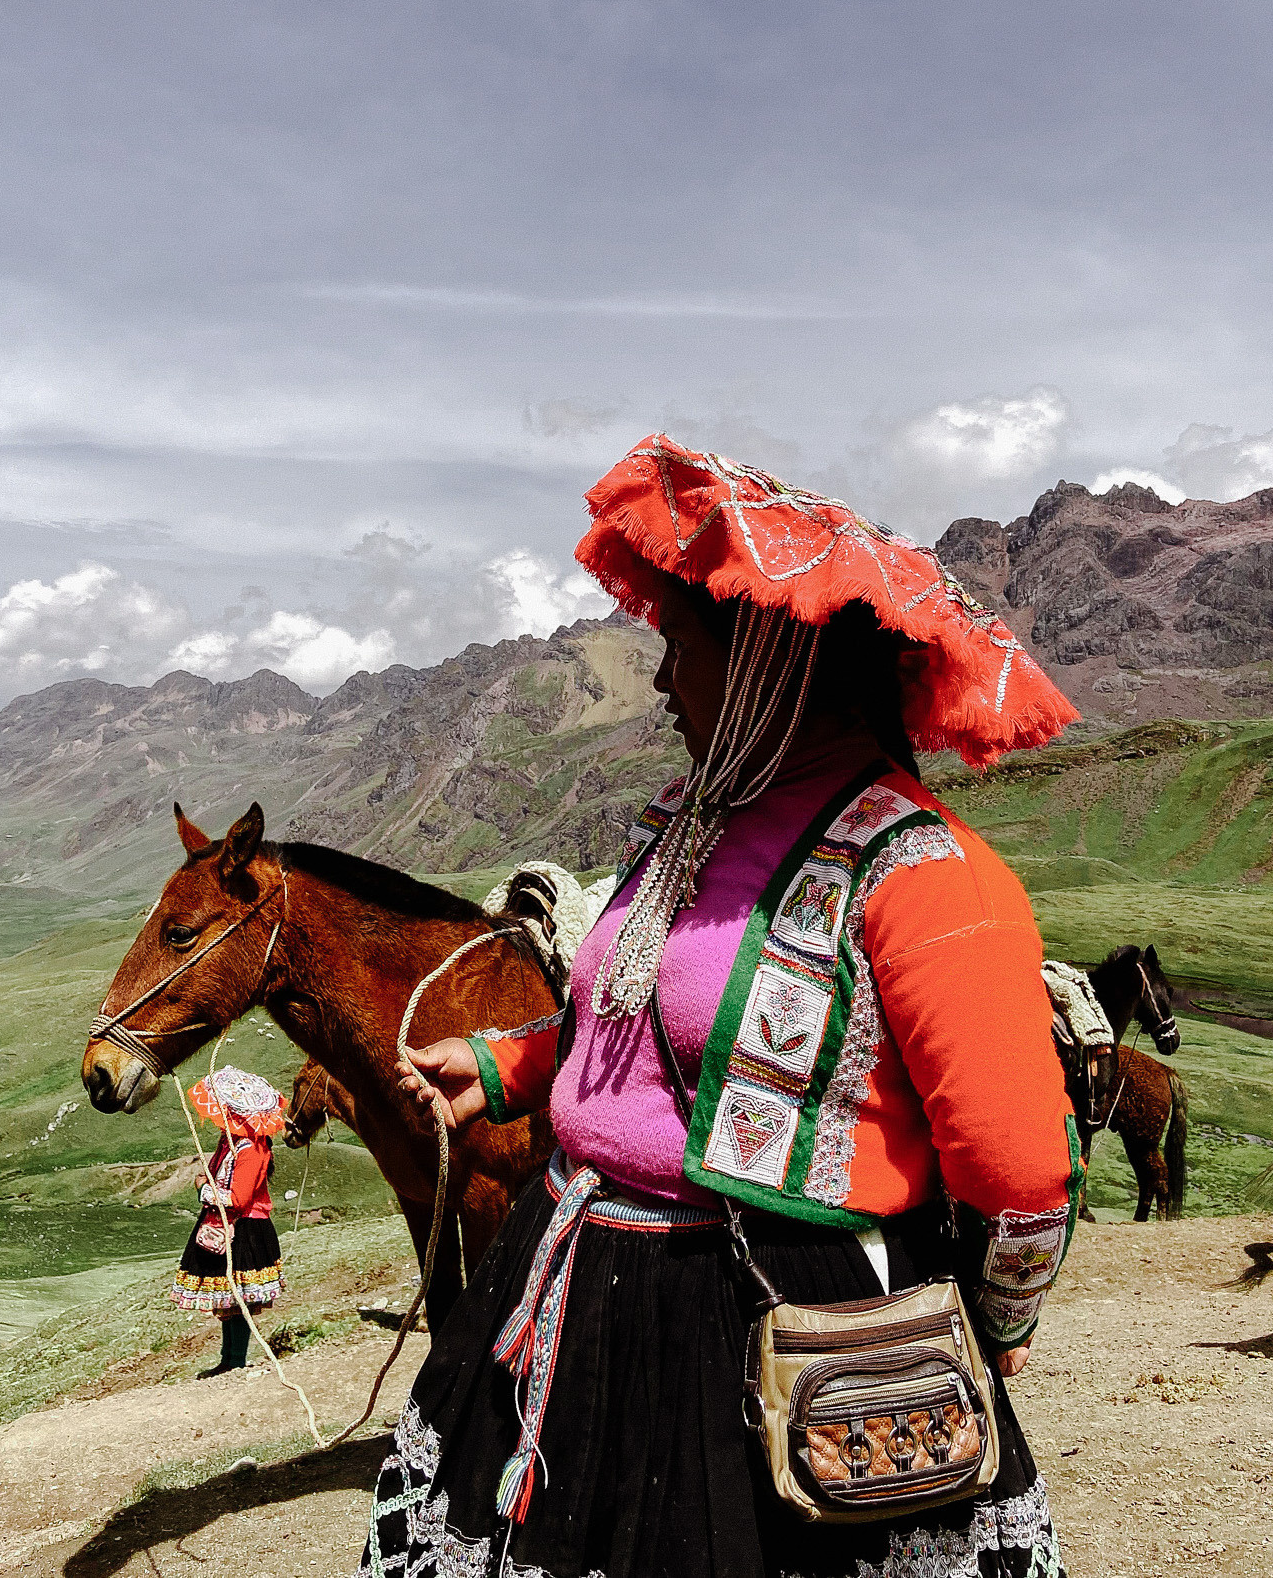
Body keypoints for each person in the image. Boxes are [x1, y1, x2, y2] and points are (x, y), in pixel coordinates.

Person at [363, 436, 1085, 1578]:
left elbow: (1021, 1170)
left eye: (683, 648)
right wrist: (511, 1067)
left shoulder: (923, 874)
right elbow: (653, 1021)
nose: (660, 682)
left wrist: (997, 1332)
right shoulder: (688, 818)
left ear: (770, 665)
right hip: (573, 1279)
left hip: (765, 1322)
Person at [171, 1065, 287, 1377]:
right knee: (229, 1299)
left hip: (244, 1229)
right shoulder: (231, 1143)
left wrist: (202, 1189)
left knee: (239, 1298)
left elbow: (238, 1198)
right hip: (223, 1225)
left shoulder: (251, 1150)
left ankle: (235, 1359)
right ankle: (228, 1359)